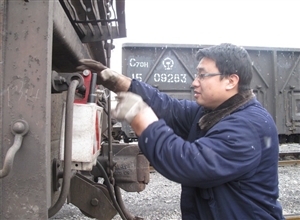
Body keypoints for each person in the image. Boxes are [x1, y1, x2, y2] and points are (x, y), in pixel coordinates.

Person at [77, 43, 284, 219]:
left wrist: (142, 120)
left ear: (231, 81)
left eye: (203, 75)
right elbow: (169, 108)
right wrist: (122, 83)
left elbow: (188, 163)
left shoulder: (248, 126)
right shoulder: (212, 113)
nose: (194, 82)